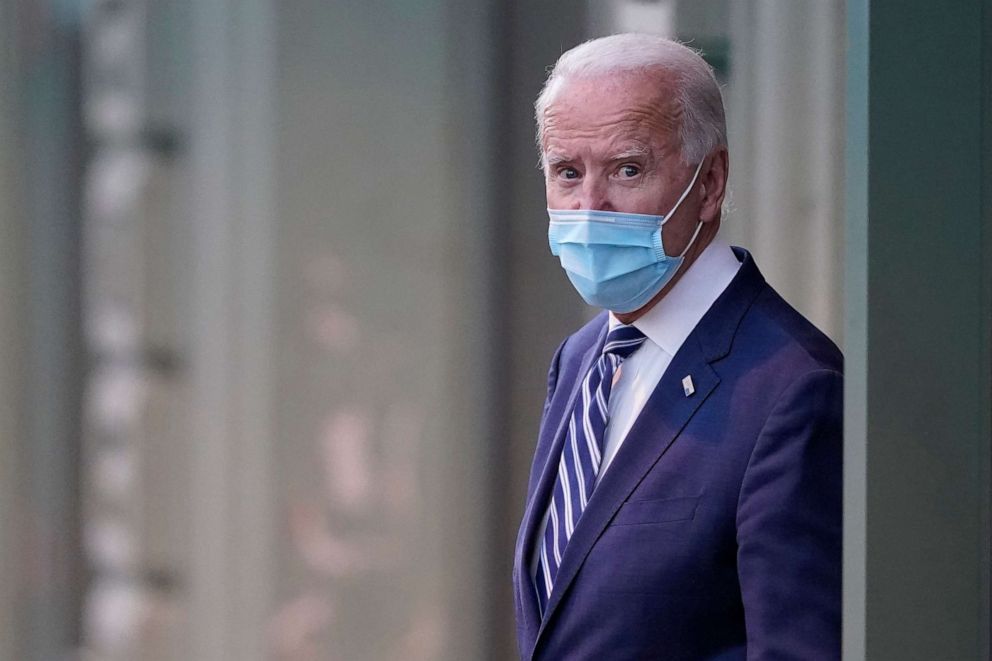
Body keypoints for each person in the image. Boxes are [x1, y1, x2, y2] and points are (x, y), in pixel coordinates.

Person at [512, 33, 842, 660]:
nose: (589, 208)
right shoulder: (581, 359)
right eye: (567, 173)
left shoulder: (795, 387)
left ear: (710, 182)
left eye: (628, 169)